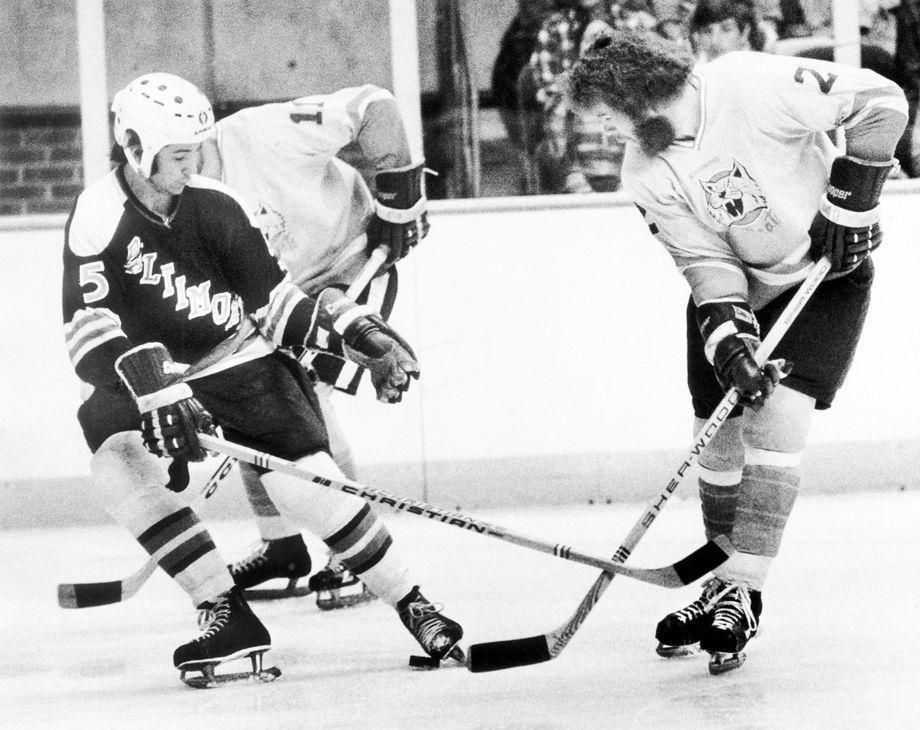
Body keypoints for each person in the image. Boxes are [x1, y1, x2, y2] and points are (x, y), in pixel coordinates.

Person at [62, 72, 463, 683]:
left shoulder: (217, 204)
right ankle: (222, 610)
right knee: (114, 453)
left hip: (238, 358)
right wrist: (151, 385)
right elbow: (87, 327)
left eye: (196, 149)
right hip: (153, 374)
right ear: (136, 146)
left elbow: (276, 305)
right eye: (178, 154)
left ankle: (415, 605)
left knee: (307, 486)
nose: (193, 163)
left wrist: (358, 337)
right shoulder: (98, 213)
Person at [565, 31, 906, 674]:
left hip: (822, 278)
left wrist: (852, 201)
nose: (612, 136)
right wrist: (733, 343)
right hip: (744, 293)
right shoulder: (645, 170)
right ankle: (718, 583)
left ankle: (745, 592)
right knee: (715, 441)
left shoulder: (747, 82)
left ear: (638, 99)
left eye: (610, 119)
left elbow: (881, 101)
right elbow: (703, 261)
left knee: (775, 430)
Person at [197, 83, 429, 609]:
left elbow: (375, 106)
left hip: (349, 267)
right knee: (253, 397)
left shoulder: (264, 133)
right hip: (280, 295)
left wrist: (398, 199)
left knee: (308, 404)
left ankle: (356, 553)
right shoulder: (179, 202)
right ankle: (282, 548)